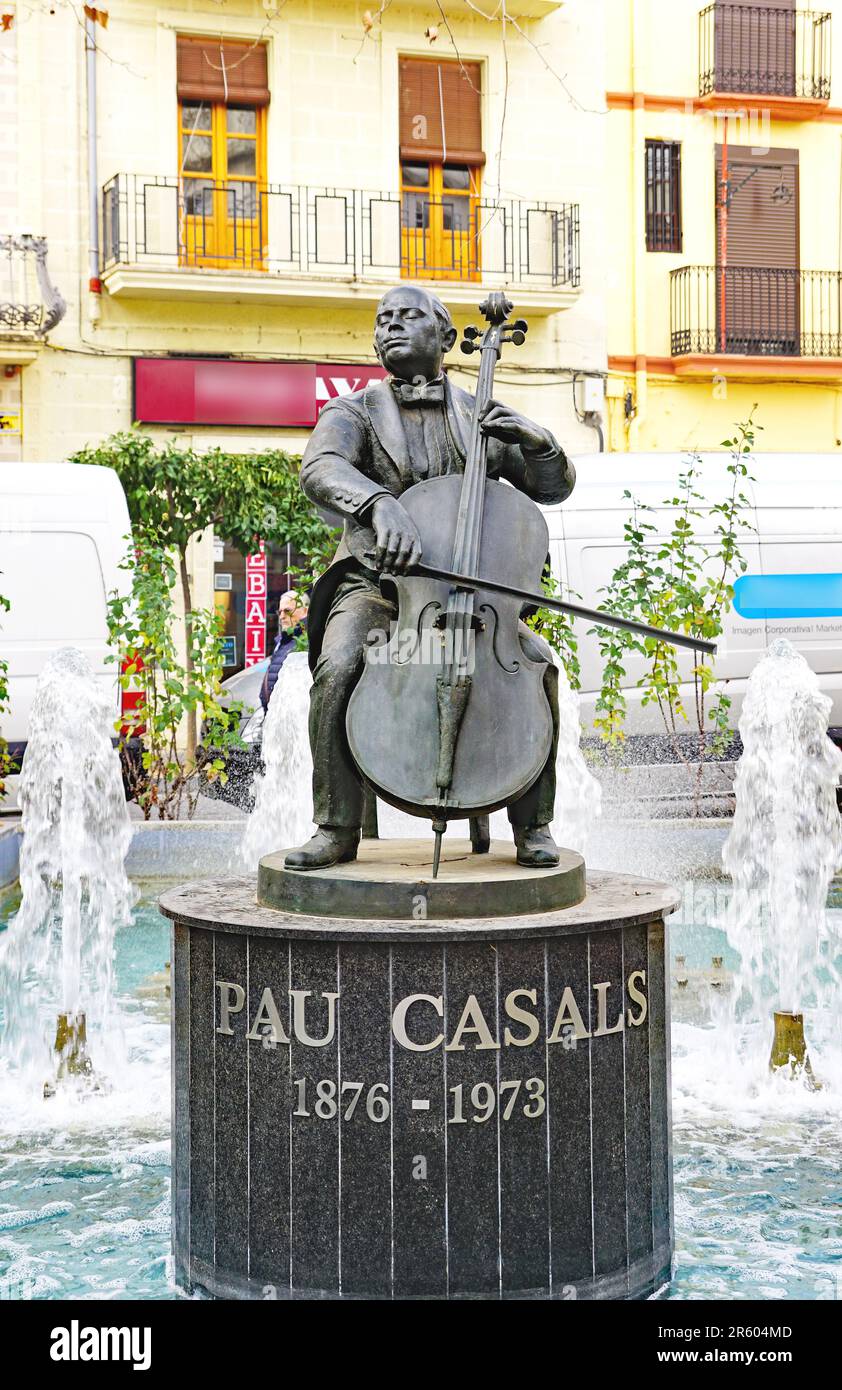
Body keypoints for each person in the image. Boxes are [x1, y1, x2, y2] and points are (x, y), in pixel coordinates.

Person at [285, 284, 576, 871]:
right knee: (339, 666)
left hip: (470, 598)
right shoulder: (354, 412)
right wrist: (375, 503)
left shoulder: (481, 417)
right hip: (377, 586)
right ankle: (335, 825)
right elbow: (320, 468)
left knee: (538, 664)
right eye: (383, 319)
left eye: (408, 316)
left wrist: (541, 444)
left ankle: (534, 826)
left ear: (446, 338)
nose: (391, 326)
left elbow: (552, 488)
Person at [260, 589, 309, 713]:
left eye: (287, 611)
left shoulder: (306, 642)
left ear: (305, 611)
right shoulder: (284, 640)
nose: (282, 616)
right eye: (280, 611)